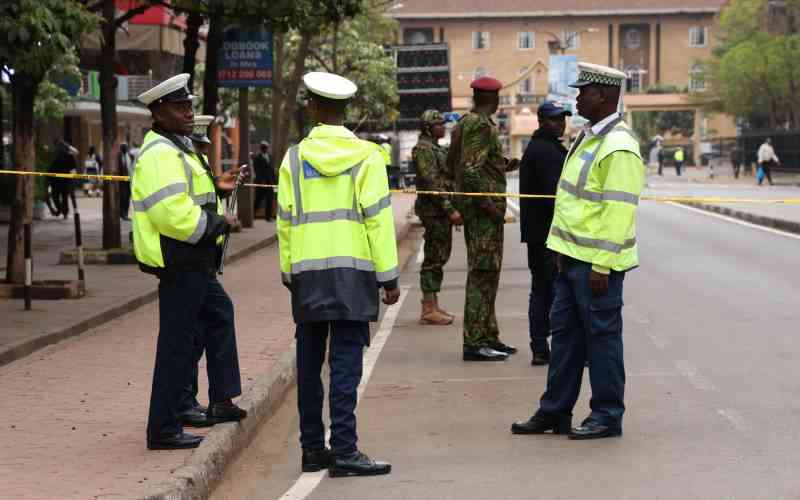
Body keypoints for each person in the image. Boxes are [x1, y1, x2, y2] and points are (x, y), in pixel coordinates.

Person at [511, 62, 645, 440]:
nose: (577, 97)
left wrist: (601, 264)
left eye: (582, 91)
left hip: (595, 266)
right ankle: (554, 411)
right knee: (566, 338)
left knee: (601, 341)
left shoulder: (618, 146)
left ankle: (606, 415)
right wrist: (559, 249)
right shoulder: (589, 137)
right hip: (569, 259)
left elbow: (617, 212)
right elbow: (572, 201)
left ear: (602, 95)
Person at [277, 71, 399, 477]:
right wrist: (389, 276)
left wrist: (288, 271)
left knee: (309, 366)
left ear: (312, 107)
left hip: (307, 275)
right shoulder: (368, 156)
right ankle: (345, 450)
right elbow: (378, 220)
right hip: (353, 275)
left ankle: (312, 449)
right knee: (346, 364)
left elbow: (285, 221)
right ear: (346, 111)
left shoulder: (293, 159)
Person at [132, 74, 247, 450]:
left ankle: (217, 400)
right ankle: (163, 428)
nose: (188, 113)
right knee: (177, 344)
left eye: (189, 106)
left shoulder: (176, 148)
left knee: (217, 315)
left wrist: (219, 187)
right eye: (180, 107)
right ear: (159, 112)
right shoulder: (160, 153)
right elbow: (173, 215)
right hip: (180, 258)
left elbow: (191, 195)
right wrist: (220, 222)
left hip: (194, 258)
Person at [447, 75, 519, 361]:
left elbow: (465, 162)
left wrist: (502, 166)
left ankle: (489, 335)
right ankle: (475, 342)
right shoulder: (478, 124)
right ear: (493, 99)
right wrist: (487, 204)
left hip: (481, 209)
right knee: (482, 274)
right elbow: (469, 169)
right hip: (482, 212)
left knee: (489, 273)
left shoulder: (467, 123)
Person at [172, 114, 218, 429]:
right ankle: (184, 401)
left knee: (198, 335)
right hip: (187, 261)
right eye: (200, 144)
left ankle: (190, 398)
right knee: (187, 338)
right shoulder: (185, 165)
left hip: (203, 261)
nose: (203, 150)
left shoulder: (199, 167)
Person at [519, 101, 572, 366]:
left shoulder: (545, 147)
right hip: (547, 235)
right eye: (554, 119)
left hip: (541, 233)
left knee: (544, 289)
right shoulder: (545, 151)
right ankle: (545, 346)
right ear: (541, 121)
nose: (560, 123)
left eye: (562, 119)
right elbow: (556, 196)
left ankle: (541, 346)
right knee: (550, 291)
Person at [412, 109, 463, 325]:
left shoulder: (434, 148)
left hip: (438, 211)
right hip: (434, 211)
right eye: (439, 124)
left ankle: (432, 304)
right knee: (434, 258)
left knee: (440, 256)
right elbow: (431, 183)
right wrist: (449, 209)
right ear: (428, 128)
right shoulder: (423, 150)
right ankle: (428, 309)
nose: (443, 127)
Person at [49, 140, 79, 219]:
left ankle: (61, 210)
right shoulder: (69, 155)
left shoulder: (55, 155)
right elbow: (73, 169)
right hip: (66, 180)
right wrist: (74, 178)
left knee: (56, 197)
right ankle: (64, 212)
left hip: (56, 180)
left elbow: (51, 168)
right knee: (64, 197)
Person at [253, 141, 275, 222]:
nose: (265, 149)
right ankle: (252, 215)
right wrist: (261, 180)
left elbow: (272, 170)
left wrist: (274, 181)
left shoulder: (270, 156)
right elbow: (257, 170)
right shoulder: (257, 157)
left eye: (266, 147)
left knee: (270, 200)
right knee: (258, 200)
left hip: (270, 183)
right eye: (263, 147)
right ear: (261, 148)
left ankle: (268, 217)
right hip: (261, 183)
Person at [118, 143, 135, 220]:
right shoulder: (118, 157)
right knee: (122, 197)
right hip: (120, 181)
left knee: (127, 197)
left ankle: (125, 214)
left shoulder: (131, 156)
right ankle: (121, 214)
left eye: (125, 147)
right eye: (123, 147)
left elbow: (133, 167)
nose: (124, 148)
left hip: (128, 180)